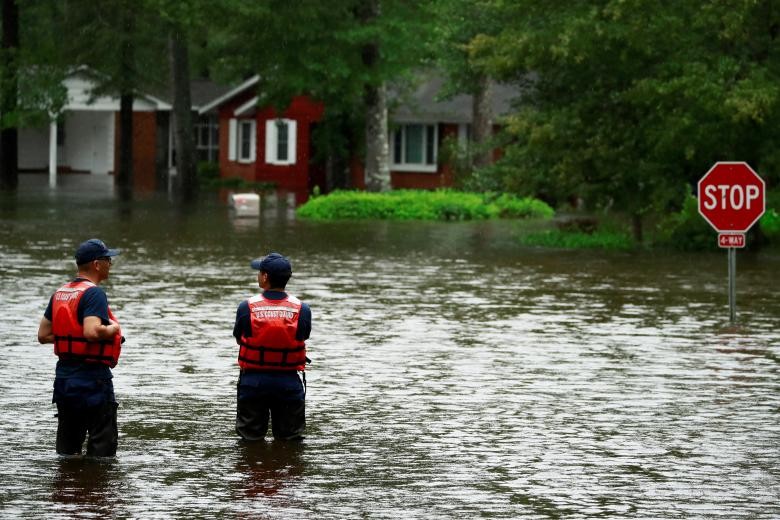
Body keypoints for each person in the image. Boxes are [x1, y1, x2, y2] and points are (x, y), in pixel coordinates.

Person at [37, 238, 123, 457]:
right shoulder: (94, 293)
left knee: (68, 450)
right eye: (108, 260)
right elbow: (92, 332)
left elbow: (43, 335)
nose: (110, 264)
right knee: (102, 454)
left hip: (65, 380)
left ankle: (66, 488)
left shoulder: (61, 292)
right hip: (93, 380)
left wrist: (70, 337)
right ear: (97, 264)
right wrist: (113, 328)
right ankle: (95, 488)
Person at [233, 252, 311, 441]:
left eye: (259, 272)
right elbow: (303, 336)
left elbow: (239, 338)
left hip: (253, 382)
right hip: (289, 383)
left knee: (249, 441)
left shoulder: (246, 307)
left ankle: (254, 468)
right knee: (291, 441)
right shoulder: (302, 309)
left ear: (265, 277)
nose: (258, 275)